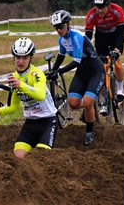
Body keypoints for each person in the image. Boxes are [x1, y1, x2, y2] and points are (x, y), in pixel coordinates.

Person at [0, 37, 58, 159]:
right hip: (30, 123)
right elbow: (14, 106)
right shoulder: (14, 77)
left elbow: (40, 95)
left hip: (47, 121)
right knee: (18, 159)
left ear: (31, 58)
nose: (20, 61)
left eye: (25, 58)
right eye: (18, 58)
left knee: (40, 158)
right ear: (13, 58)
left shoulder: (37, 74)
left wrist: (21, 85)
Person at [48, 10, 105, 145]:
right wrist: (54, 70)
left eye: (61, 26)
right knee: (72, 103)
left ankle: (89, 131)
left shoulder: (76, 37)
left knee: (87, 102)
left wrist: (60, 71)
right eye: (56, 28)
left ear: (68, 24)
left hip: (96, 71)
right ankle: (89, 107)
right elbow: (61, 55)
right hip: (82, 72)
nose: (59, 30)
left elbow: (76, 61)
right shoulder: (61, 39)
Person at [85, 0, 124, 116]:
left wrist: (117, 50)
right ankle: (103, 100)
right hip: (101, 37)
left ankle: (120, 89)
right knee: (101, 69)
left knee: (116, 59)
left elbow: (121, 33)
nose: (100, 10)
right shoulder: (91, 15)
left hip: (115, 36)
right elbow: (88, 37)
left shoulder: (117, 10)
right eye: (97, 7)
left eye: (102, 7)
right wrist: (87, 53)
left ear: (108, 5)